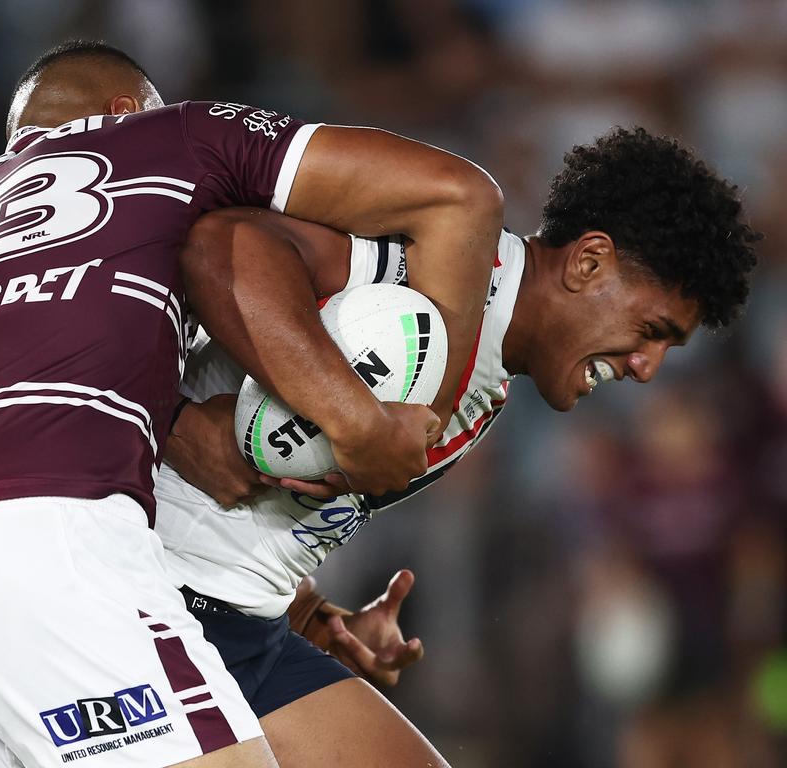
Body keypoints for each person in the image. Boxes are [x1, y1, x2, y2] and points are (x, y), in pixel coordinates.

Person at [0, 40, 504, 768]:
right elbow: (458, 194)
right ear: (127, 110)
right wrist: (384, 428)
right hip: (49, 544)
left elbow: (7, 404)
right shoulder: (165, 137)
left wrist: (300, 604)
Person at [152, 129, 759, 767]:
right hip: (155, 592)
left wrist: (312, 613)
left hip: (249, 623)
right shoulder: (446, 271)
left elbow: (278, 482)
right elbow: (226, 247)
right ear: (589, 262)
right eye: (651, 330)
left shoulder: (493, 368)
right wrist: (345, 419)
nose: (647, 367)